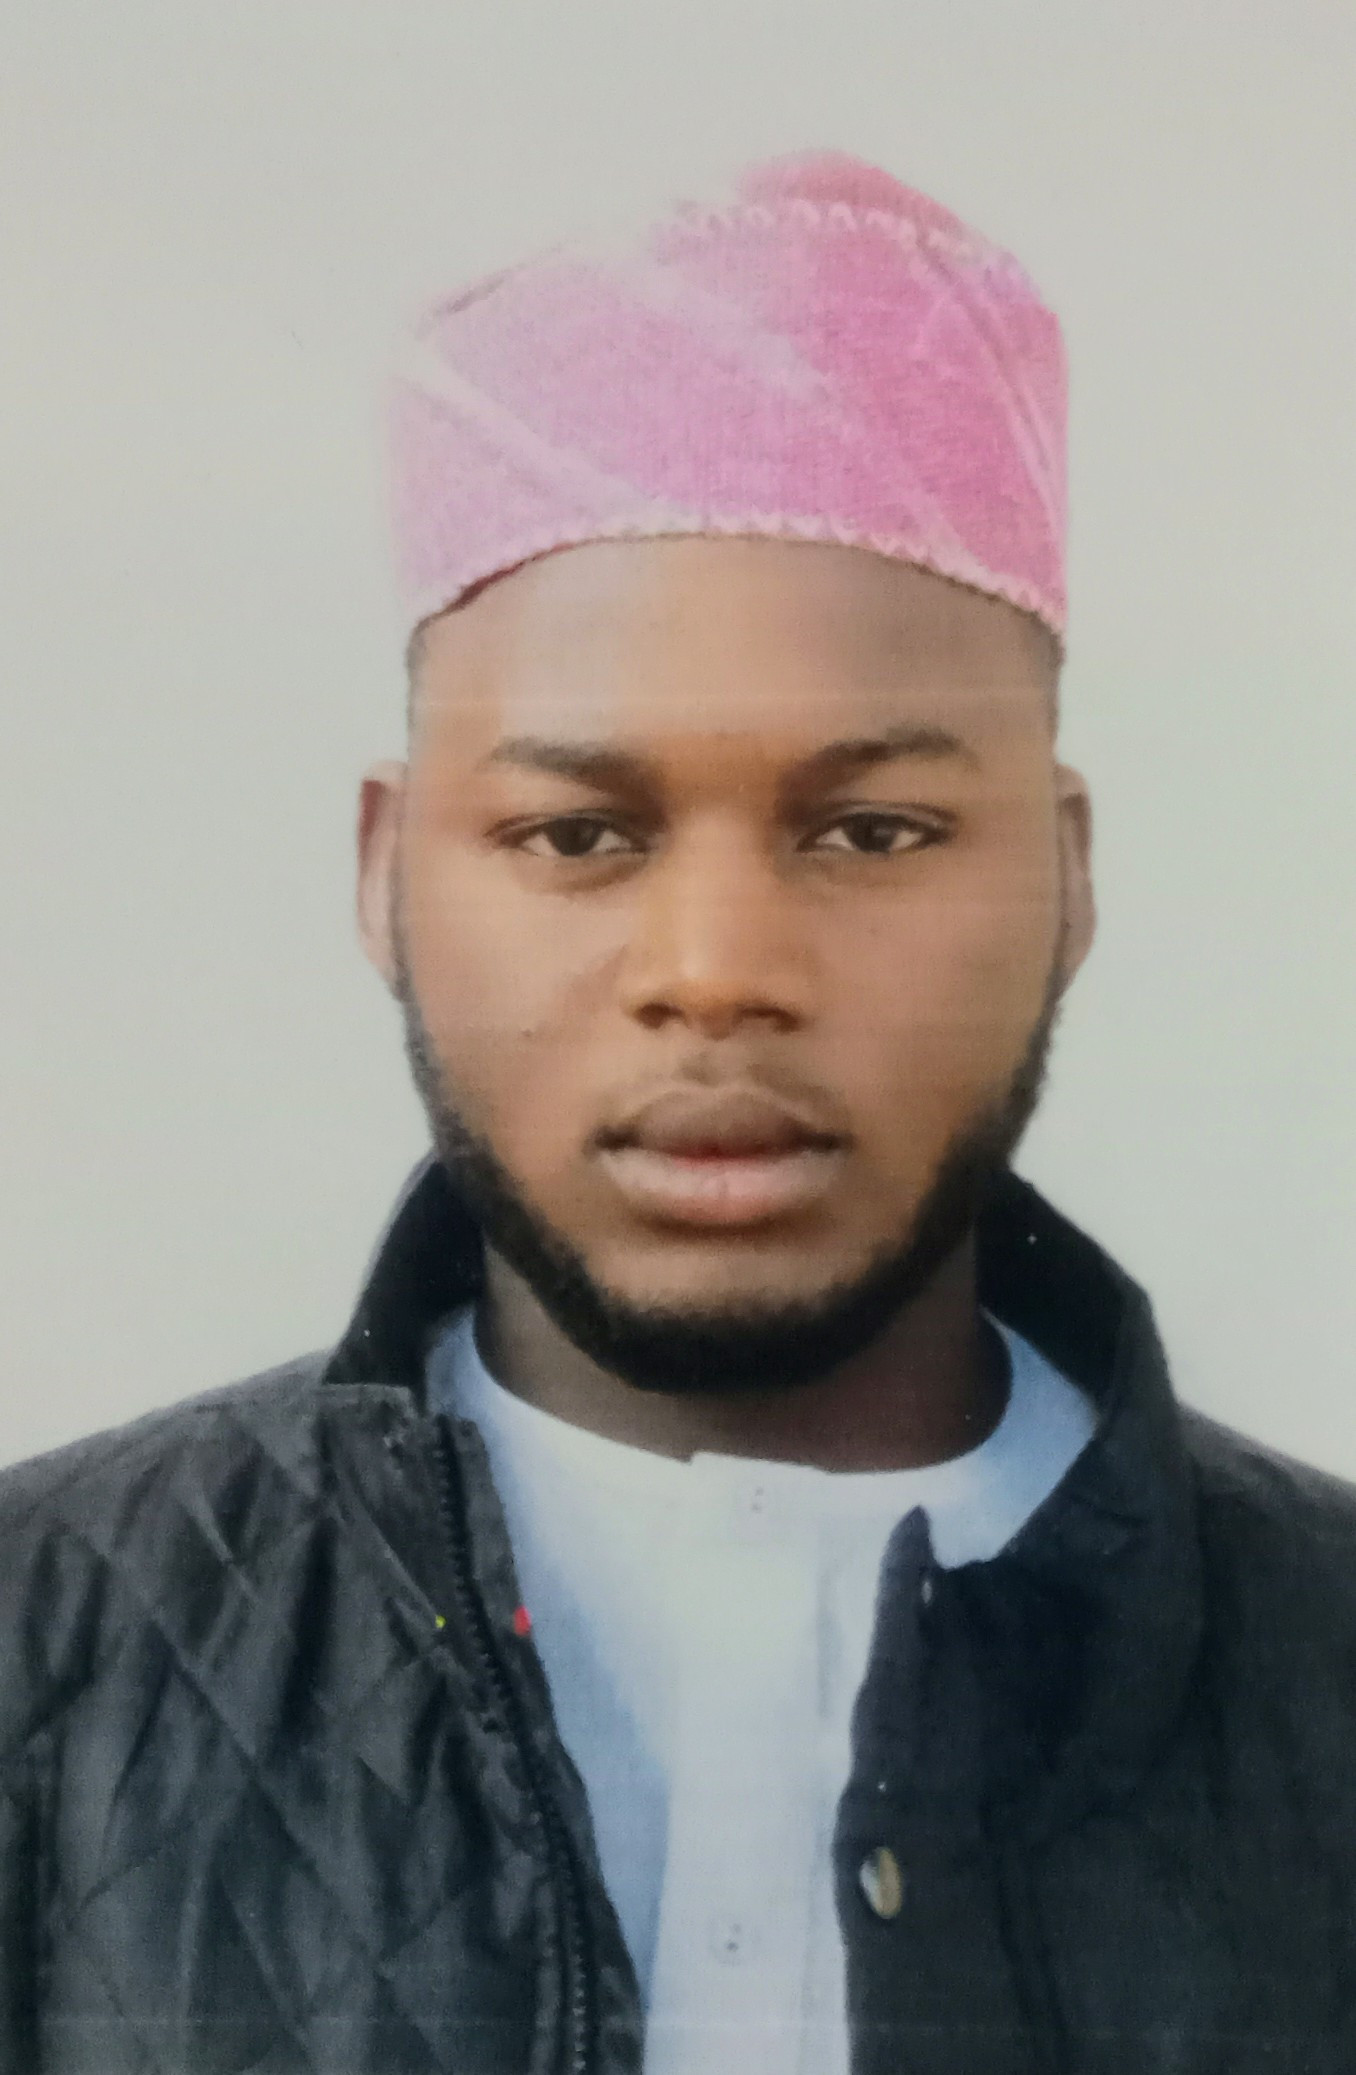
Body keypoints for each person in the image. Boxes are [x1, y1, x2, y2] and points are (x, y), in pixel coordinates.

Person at [1, 145, 1354, 2075]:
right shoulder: (39, 1642)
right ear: (386, 875)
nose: (716, 970)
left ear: (1066, 878)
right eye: (578, 834)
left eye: (874, 830)